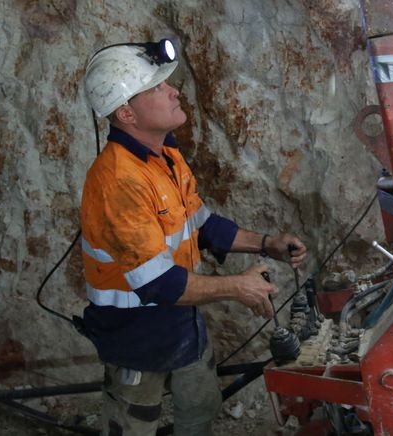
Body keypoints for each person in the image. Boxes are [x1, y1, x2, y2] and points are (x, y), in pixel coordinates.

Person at [80, 40, 307, 436]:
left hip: (184, 323)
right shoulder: (119, 181)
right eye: (157, 88)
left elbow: (201, 225)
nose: (174, 91)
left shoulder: (165, 155)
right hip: (137, 336)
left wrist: (266, 241)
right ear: (126, 112)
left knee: (201, 408)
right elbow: (156, 282)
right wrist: (239, 287)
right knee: (133, 428)